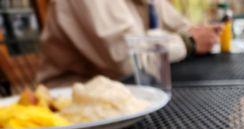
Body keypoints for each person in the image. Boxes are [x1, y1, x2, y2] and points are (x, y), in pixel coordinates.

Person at [37, 0, 220, 86]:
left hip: (130, 89)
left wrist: (198, 35)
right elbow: (127, 58)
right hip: (72, 100)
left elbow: (183, 27)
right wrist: (188, 42)